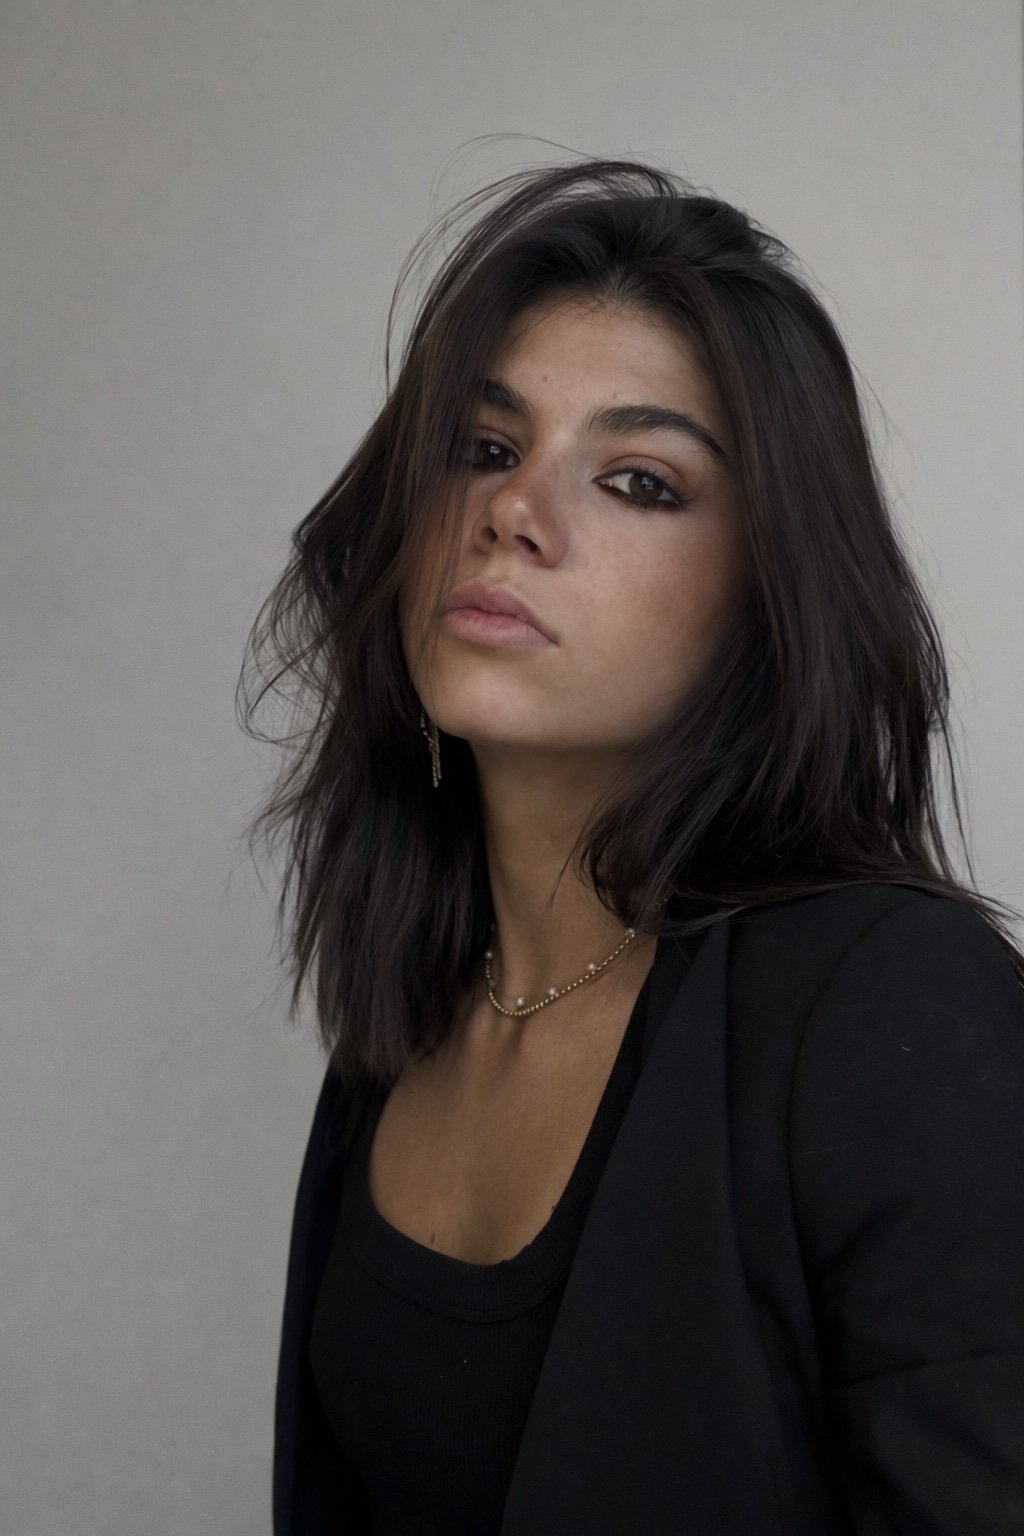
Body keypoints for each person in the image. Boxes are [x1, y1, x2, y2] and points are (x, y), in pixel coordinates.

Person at [238, 157, 1024, 1534]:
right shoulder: (411, 1020)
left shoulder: (890, 997)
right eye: (484, 448)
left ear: (769, 594)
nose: (512, 514)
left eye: (642, 482)